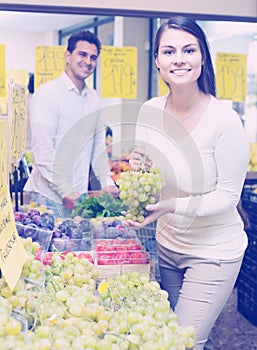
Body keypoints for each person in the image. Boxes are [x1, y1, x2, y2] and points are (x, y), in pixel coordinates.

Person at [125, 16, 250, 350]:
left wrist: (171, 206)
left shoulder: (224, 120)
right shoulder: (150, 111)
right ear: (157, 61)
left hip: (213, 253)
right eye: (168, 51)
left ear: (202, 57)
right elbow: (148, 183)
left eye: (188, 49)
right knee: (178, 334)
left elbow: (226, 196)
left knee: (180, 343)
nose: (178, 58)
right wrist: (136, 171)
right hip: (168, 247)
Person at [24, 30, 117, 218]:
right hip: (47, 197)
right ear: (68, 56)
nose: (88, 61)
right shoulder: (48, 93)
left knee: (74, 248)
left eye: (93, 57)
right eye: (82, 54)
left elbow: (98, 147)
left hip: (78, 197)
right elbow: (43, 151)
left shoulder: (93, 98)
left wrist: (107, 181)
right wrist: (66, 190)